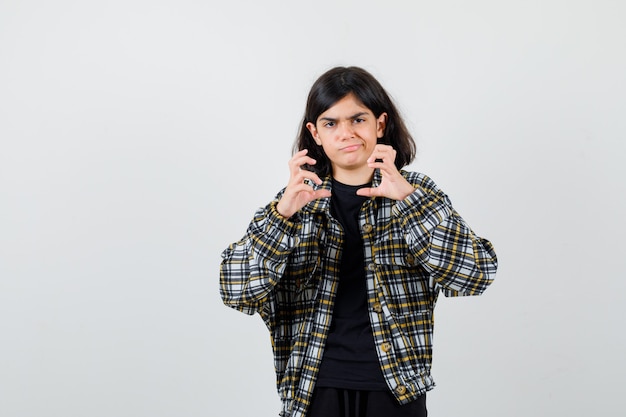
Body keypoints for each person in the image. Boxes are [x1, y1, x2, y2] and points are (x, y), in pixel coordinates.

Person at [219, 66, 498, 417]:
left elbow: (474, 275)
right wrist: (281, 216)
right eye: (331, 123)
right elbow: (236, 291)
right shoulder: (295, 201)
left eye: (358, 119)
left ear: (379, 125)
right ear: (315, 133)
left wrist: (410, 203)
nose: (346, 133)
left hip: (397, 389)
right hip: (313, 389)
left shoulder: (417, 194)